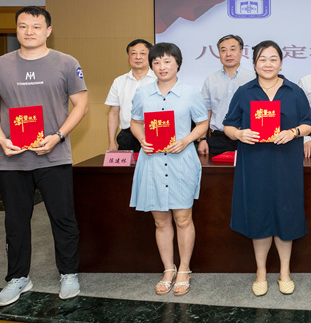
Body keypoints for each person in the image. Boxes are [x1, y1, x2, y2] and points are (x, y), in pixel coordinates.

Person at [0, 6, 89, 306]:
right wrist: (1, 139)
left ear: (48, 30)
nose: (29, 31)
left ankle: (68, 273)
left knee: (63, 218)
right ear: (16, 29)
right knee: (15, 221)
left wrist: (58, 136)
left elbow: (81, 104)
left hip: (54, 156)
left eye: (36, 26)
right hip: (12, 158)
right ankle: (18, 278)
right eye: (23, 26)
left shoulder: (66, 63)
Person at [223, 41, 311, 296]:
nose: (268, 64)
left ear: (281, 63)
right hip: (255, 163)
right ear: (254, 64)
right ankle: (261, 272)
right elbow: (228, 125)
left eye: (273, 59)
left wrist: (294, 132)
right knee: (258, 215)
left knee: (286, 215)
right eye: (262, 59)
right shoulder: (244, 92)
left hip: (286, 164)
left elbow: (310, 123)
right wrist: (239, 134)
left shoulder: (294, 91)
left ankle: (285, 272)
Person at [129, 43, 208, 296]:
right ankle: (168, 269)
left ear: (177, 64)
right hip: (152, 161)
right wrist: (142, 139)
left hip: (181, 161)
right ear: (151, 66)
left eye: (167, 61)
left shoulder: (190, 92)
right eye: (156, 62)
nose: (162, 67)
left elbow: (203, 123)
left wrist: (186, 140)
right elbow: (135, 122)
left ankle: (184, 268)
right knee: (160, 221)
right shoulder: (143, 93)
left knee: (183, 219)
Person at [198, 34, 256, 158]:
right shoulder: (210, 80)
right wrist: (202, 139)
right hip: (218, 139)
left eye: (233, 49)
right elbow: (205, 112)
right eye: (223, 50)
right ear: (219, 54)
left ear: (241, 52)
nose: (228, 54)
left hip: (248, 138)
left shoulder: (253, 78)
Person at [105, 39, 156, 152]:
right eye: (133, 53)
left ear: (150, 56)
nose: (138, 57)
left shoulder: (159, 80)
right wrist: (111, 142)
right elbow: (113, 113)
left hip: (154, 133)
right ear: (128, 56)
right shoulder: (119, 82)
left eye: (142, 53)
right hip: (127, 136)